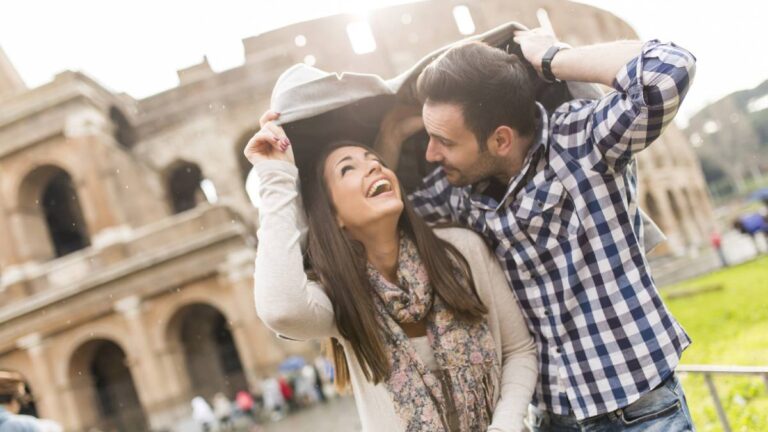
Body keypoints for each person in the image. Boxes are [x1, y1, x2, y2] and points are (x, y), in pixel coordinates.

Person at [367, 27, 696, 431]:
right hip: (552, 417)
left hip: (638, 409)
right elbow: (376, 213)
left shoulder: (580, 142)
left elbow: (670, 68)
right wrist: (390, 134)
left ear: (500, 139)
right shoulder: (460, 192)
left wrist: (552, 58)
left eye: (443, 142)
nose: (431, 154)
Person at [246, 118, 538, 431]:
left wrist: (504, 426)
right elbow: (281, 309)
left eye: (377, 161)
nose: (374, 168)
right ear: (334, 215)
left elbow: (519, 351)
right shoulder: (341, 295)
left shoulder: (461, 251)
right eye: (348, 168)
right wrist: (275, 177)